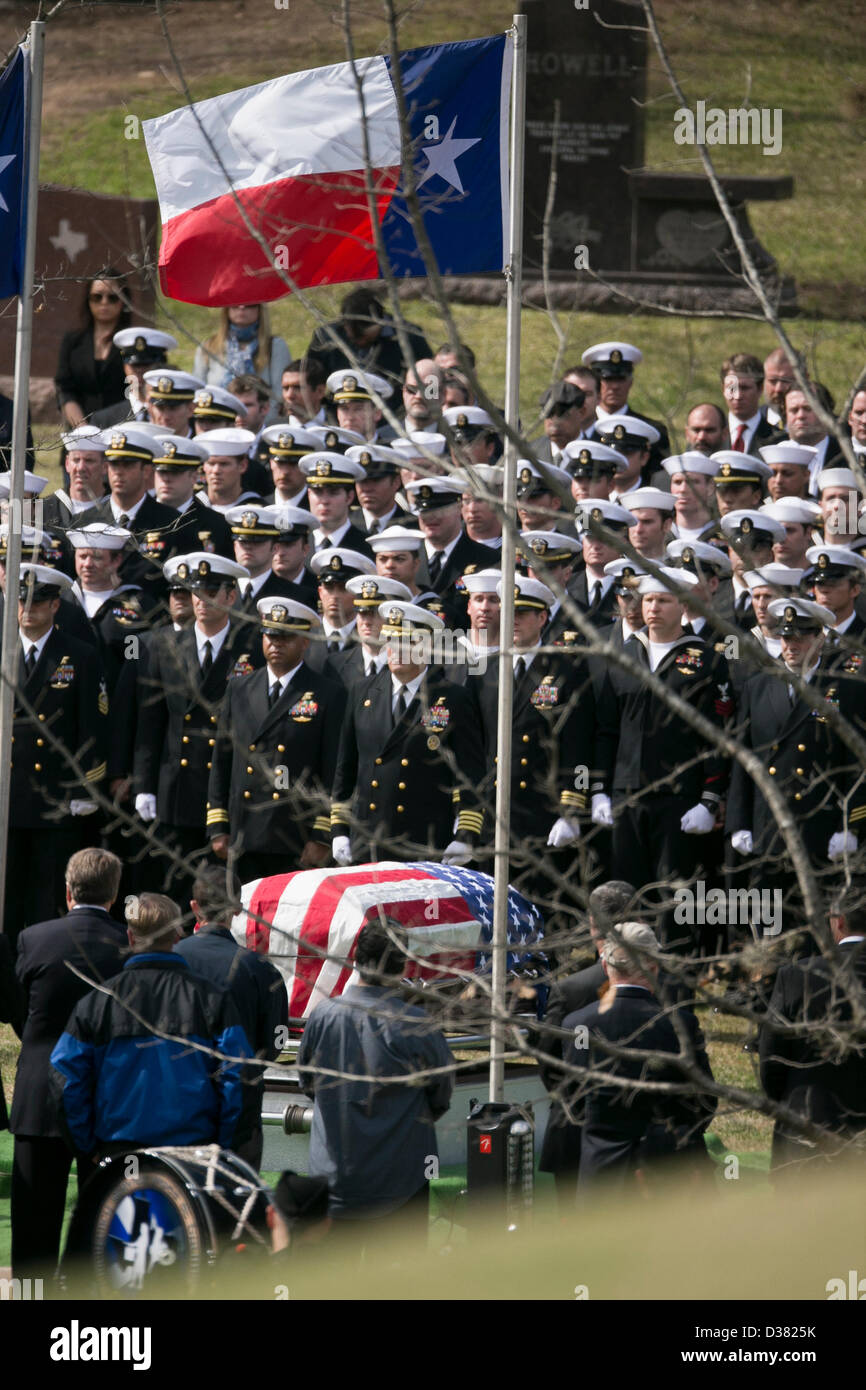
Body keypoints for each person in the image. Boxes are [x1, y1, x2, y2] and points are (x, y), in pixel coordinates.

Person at [50, 892, 255, 1161]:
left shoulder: (97, 1003)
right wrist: (222, 1146)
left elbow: (66, 1077)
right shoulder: (212, 1000)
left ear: (131, 937)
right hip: (191, 1154)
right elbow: (238, 1075)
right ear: (177, 936)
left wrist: (88, 1147)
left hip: (118, 1152)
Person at [592, 567, 735, 949]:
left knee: (675, 896)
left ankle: (675, 979)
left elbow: (716, 736)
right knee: (625, 893)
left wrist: (710, 798)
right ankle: (625, 969)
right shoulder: (620, 655)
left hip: (679, 797)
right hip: (626, 795)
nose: (653, 608)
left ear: (682, 604)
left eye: (664, 600)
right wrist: (597, 790)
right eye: (649, 599)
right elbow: (605, 729)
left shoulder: (707, 659)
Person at [296, 916, 453, 1239]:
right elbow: (441, 1095)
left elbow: (308, 1084)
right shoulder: (417, 1024)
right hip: (401, 1181)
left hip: (335, 1180)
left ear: (356, 959)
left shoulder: (322, 1016)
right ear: (404, 966)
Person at [10, 848, 126, 1278]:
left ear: (67, 890)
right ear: (114, 895)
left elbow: (21, 1010)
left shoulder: (34, 939)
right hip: (105, 1099)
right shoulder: (127, 947)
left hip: (39, 1095)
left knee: (32, 1240)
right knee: (97, 1231)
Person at [562, 922, 717, 1191]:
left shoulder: (579, 1025)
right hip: (671, 1168)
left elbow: (574, 1098)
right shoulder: (681, 1025)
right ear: (653, 968)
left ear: (605, 967)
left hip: (603, 1170)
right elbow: (705, 1099)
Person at [330, 600, 485, 865]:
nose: (397, 650)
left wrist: (465, 835)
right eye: (391, 641)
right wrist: (339, 830)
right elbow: (346, 770)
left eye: (408, 642)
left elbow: (470, 776)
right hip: (368, 840)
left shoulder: (452, 698)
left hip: (424, 841)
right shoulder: (362, 692)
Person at [133, 553, 251, 900]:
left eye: (211, 590)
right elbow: (150, 722)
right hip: (176, 787)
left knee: (221, 893)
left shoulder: (249, 646)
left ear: (231, 596)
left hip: (226, 787)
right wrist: (144, 784)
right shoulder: (165, 646)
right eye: (195, 591)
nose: (201, 599)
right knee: (173, 889)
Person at [207, 597, 347, 883]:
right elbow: (222, 759)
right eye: (270, 635)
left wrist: (321, 835)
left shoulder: (328, 694)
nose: (276, 643)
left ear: (305, 641)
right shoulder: (240, 687)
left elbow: (333, 772)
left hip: (294, 835)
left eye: (286, 637)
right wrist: (218, 824)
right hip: (243, 832)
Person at [6, 565, 110, 947]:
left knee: (46, 897)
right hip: (8, 795)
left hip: (54, 798)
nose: (27, 610)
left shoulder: (79, 655)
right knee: (7, 896)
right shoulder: (2, 648)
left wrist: (86, 787)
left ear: (54, 605)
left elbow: (92, 727)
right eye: (20, 601)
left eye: (37, 602)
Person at [175, 865, 289, 1171]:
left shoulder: (169, 961)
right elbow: (276, 1042)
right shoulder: (260, 970)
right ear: (238, 909)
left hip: (176, 1099)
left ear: (194, 907)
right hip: (241, 1106)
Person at [535, 879, 637, 1201]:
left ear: (593, 925)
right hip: (640, 1134)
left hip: (576, 1131)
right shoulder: (666, 983)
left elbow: (548, 1061)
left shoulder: (570, 990)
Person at [759, 880, 866, 1175]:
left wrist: (787, 1103)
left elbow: (771, 1057)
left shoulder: (796, 975)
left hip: (807, 1130)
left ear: (839, 921)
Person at [305, 287, 431, 390]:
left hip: (396, 411)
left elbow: (430, 377)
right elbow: (309, 379)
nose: (360, 342)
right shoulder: (326, 337)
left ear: (380, 322)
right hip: (342, 408)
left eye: (364, 337)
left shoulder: (409, 337)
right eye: (353, 338)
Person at [54, 270, 131, 430]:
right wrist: (84, 431)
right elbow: (65, 390)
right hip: (79, 433)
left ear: (123, 301)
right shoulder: (73, 341)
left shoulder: (132, 342)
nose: (104, 302)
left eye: (112, 297)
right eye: (97, 297)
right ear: (88, 301)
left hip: (122, 433)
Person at [581, 341, 670, 471]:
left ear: (630, 382)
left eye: (621, 379)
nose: (615, 386)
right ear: (595, 383)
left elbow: (659, 479)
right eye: (608, 379)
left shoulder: (652, 431)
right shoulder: (581, 427)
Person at [194, 303, 291, 405]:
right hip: (217, 417)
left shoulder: (275, 346)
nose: (242, 308)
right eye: (235, 303)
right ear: (226, 309)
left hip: (263, 419)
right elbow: (198, 390)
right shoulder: (209, 346)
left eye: (250, 304)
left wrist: (261, 419)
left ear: (260, 309)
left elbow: (280, 393)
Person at [89, 326, 177, 430]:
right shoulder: (104, 421)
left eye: (146, 365)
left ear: (161, 365)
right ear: (124, 367)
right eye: (134, 365)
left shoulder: (179, 418)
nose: (139, 370)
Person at [720, 352, 781, 455]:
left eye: (745, 388)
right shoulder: (708, 436)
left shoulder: (778, 441)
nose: (737, 396)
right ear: (723, 389)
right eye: (731, 388)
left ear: (760, 389)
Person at [280, 357, 328, 427]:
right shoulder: (271, 433)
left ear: (320, 391)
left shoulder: (339, 428)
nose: (289, 395)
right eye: (285, 388)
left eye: (298, 388)